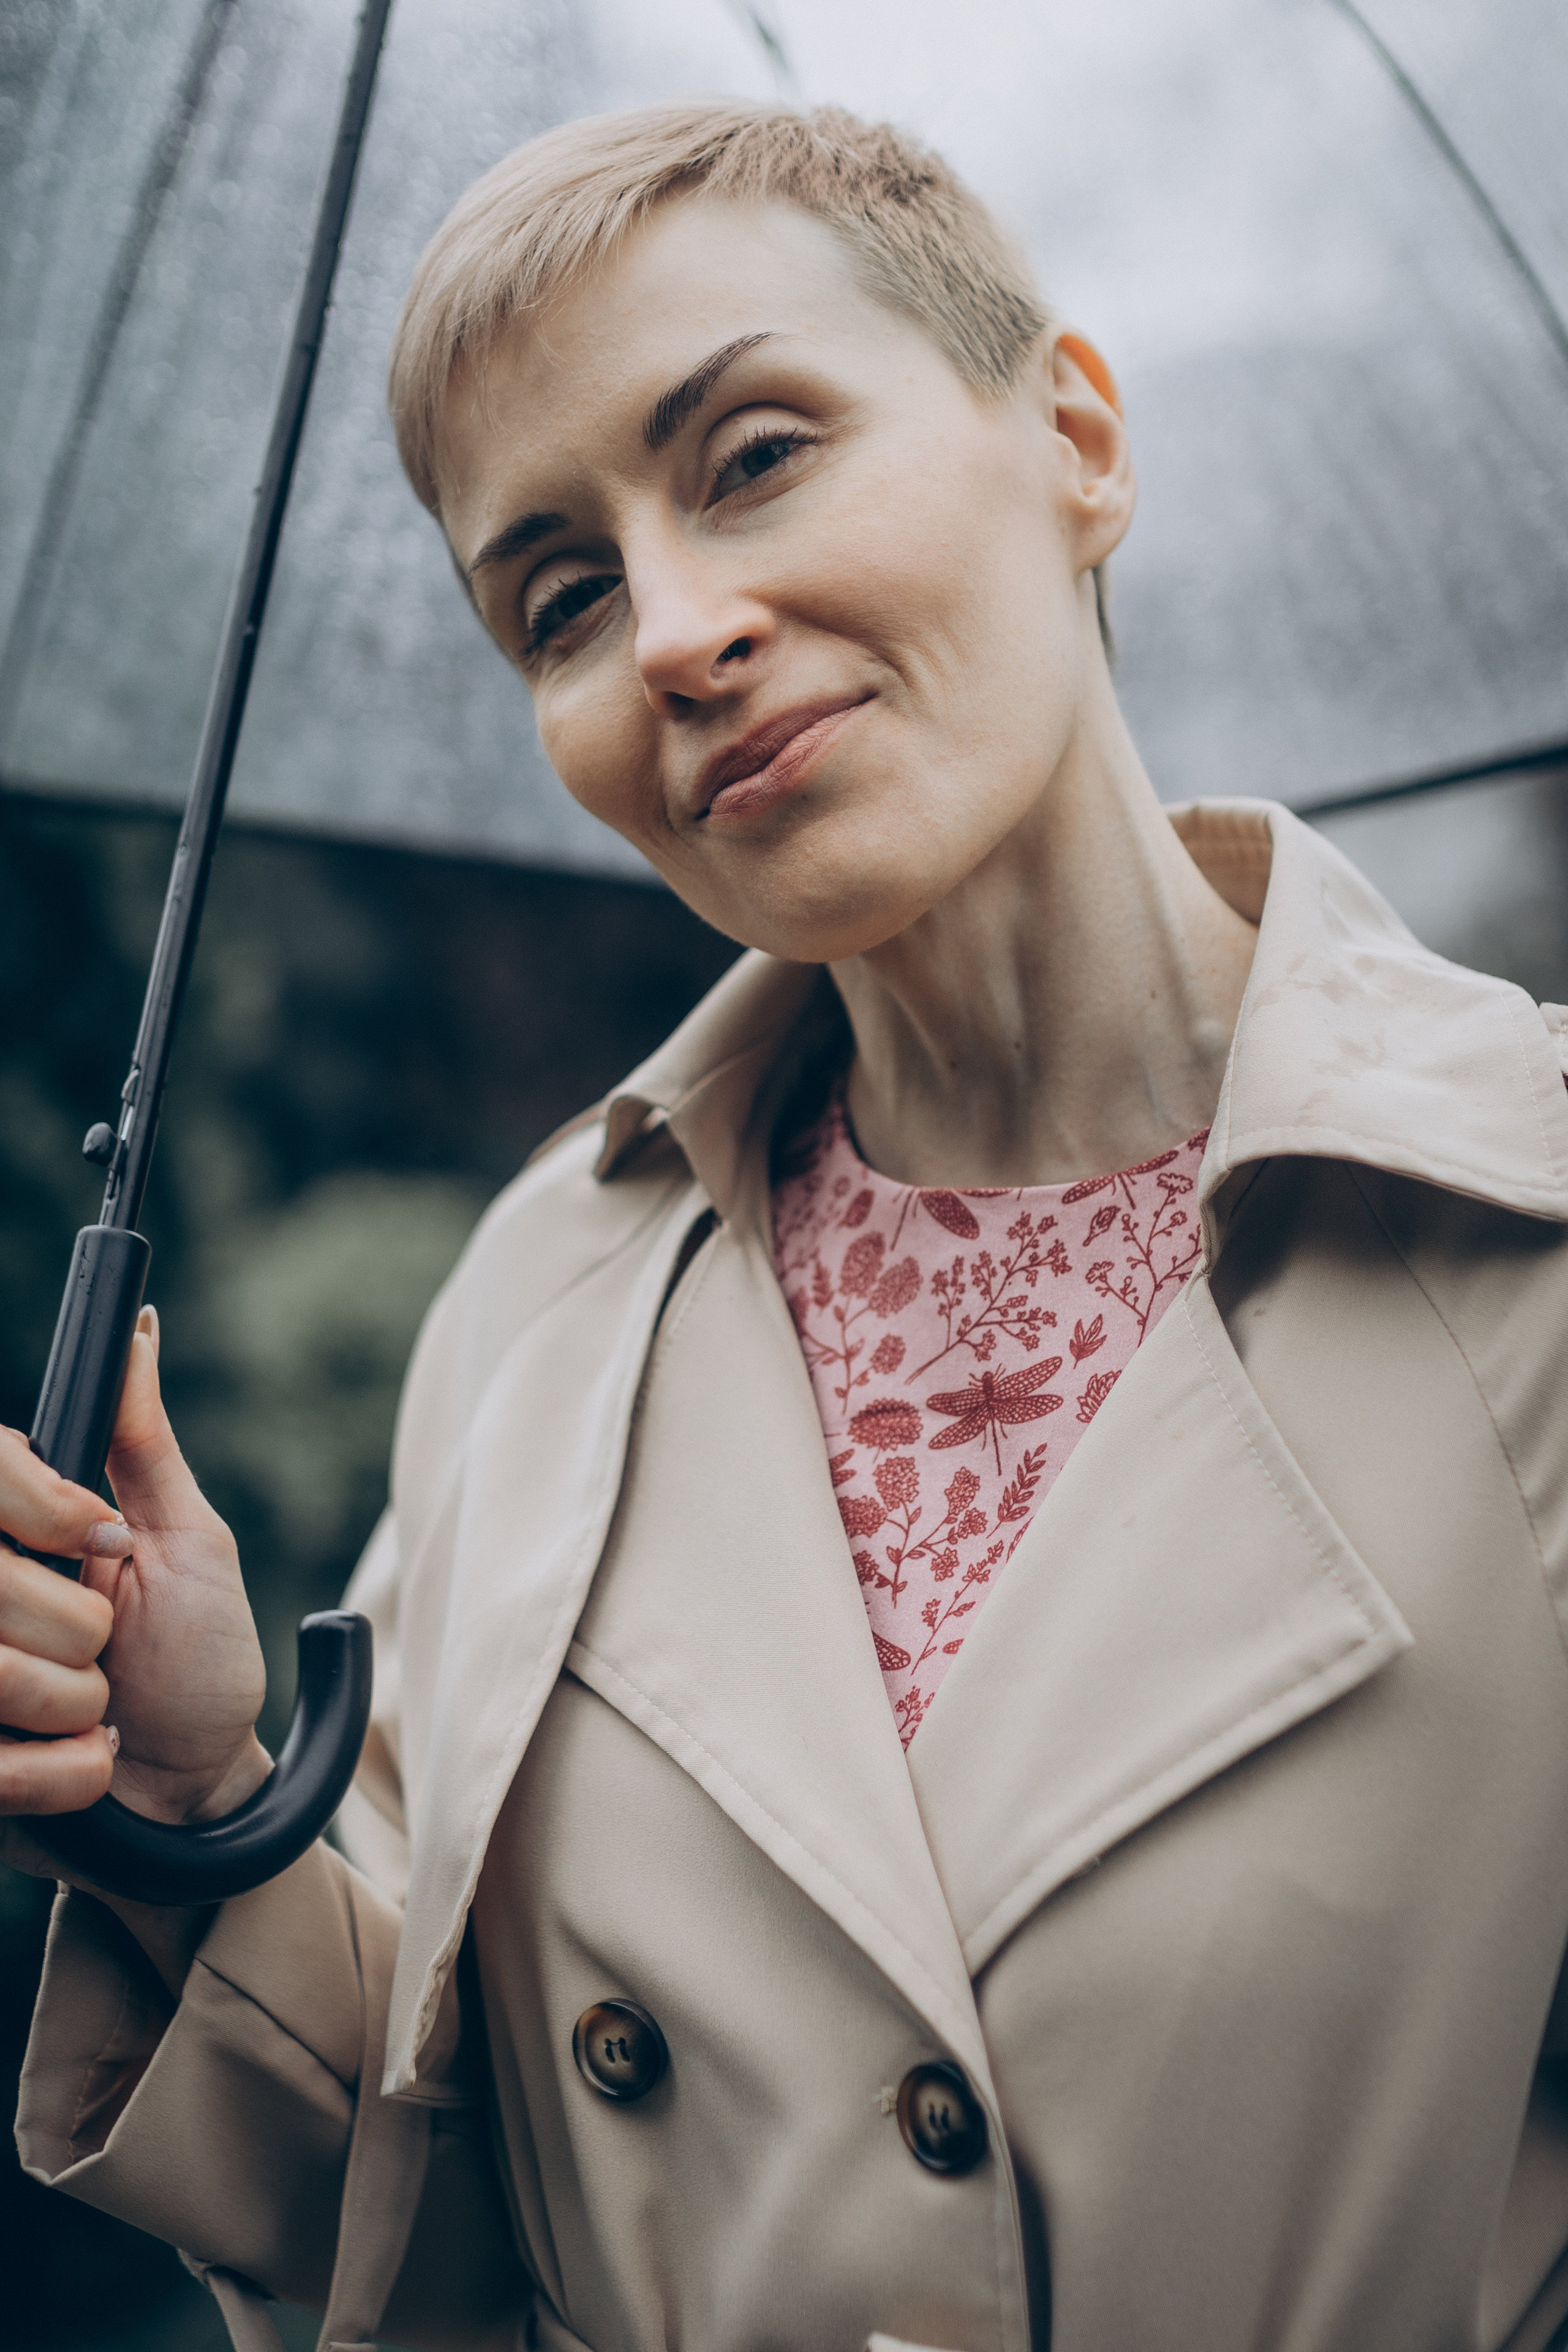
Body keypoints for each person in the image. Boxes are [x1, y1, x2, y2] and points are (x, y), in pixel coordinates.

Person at [6, 97, 1568, 2352]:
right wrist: (192, 1796)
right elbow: (449, 2238)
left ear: (1077, 441)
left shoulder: (1528, 1226)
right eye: (557, 593)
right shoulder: (545, 1295)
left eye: (749, 456)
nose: (671, 632)